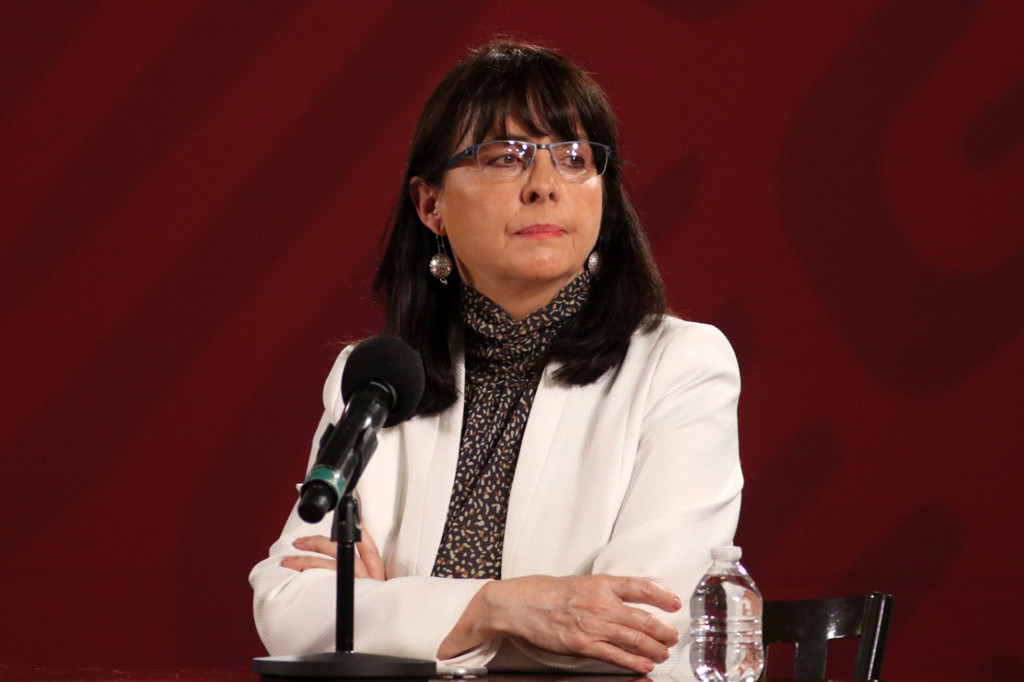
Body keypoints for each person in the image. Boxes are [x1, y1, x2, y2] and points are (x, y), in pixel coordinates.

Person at [249, 40, 743, 675]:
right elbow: (290, 609)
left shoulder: (681, 365)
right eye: (506, 157)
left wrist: (395, 612)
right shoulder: (379, 377)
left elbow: (642, 626)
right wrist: (497, 607)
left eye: (574, 158)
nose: (545, 186)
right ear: (431, 205)